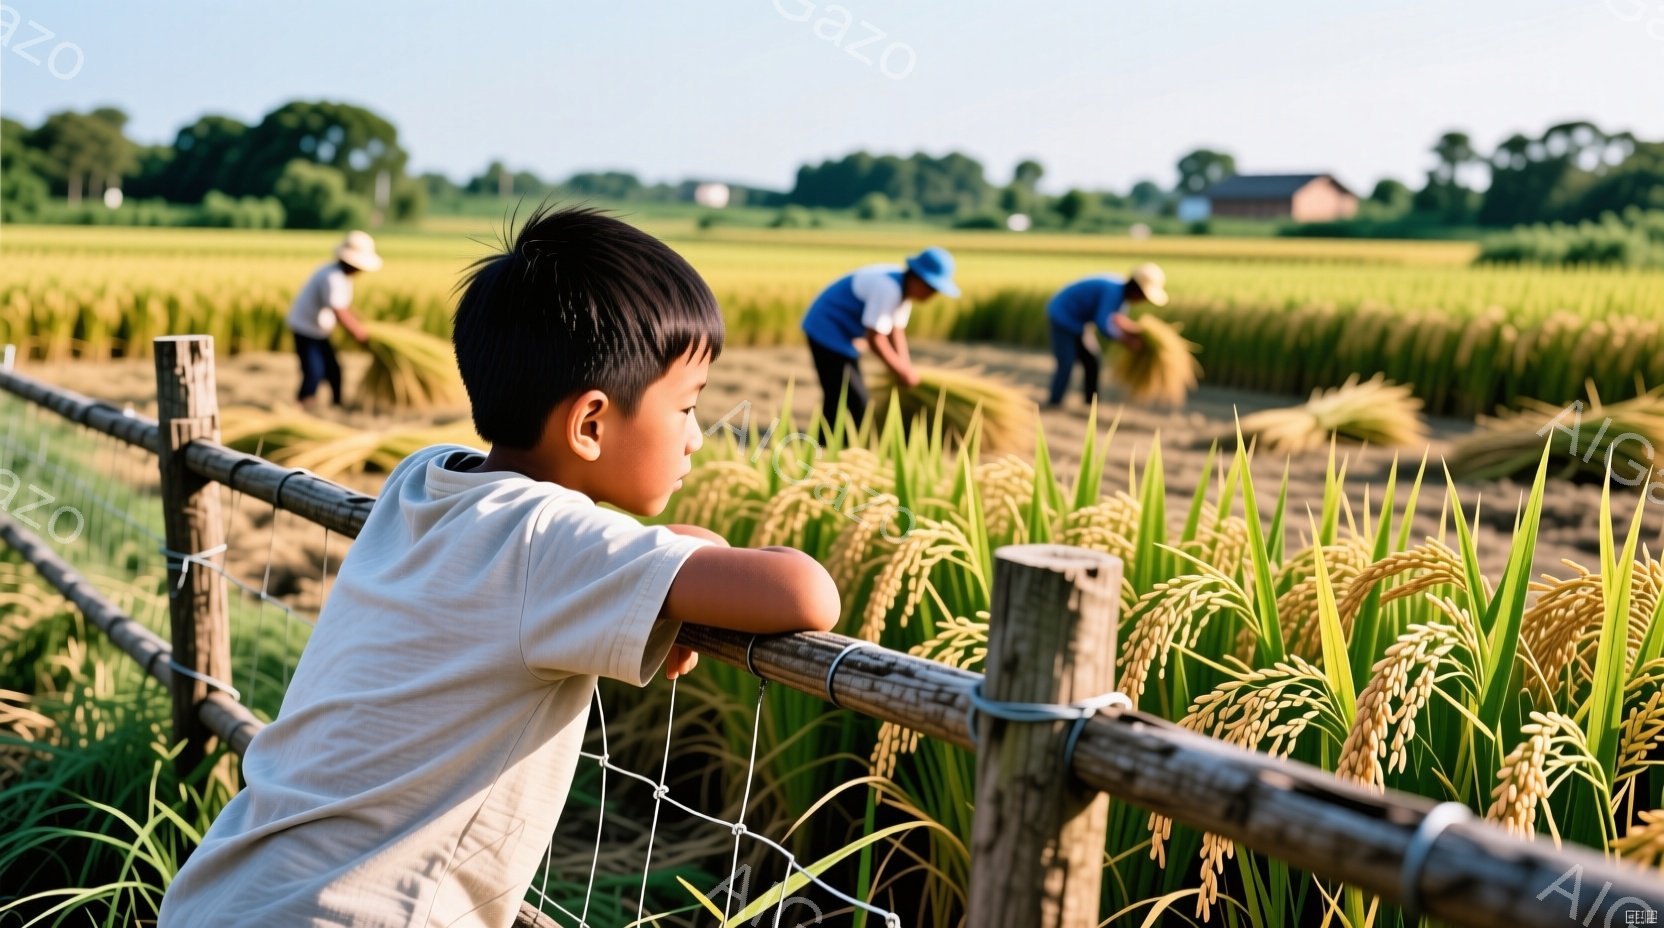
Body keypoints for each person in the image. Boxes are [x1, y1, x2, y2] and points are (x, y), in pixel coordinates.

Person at [158, 206, 841, 927]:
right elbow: (806, 593)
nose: (698, 437)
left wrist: (665, 575)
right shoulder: (553, 541)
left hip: (220, 893)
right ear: (590, 424)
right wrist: (677, 575)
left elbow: (550, 553)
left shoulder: (424, 478)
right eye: (687, 407)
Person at [800, 247, 959, 433]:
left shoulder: (903, 292)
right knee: (851, 400)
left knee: (841, 397)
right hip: (826, 330)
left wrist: (905, 366)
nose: (933, 295)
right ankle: (829, 443)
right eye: (932, 288)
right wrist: (901, 371)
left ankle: (825, 442)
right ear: (917, 278)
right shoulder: (888, 289)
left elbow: (896, 331)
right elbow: (875, 339)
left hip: (844, 336)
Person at [1044, 263, 1168, 407]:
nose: (1142, 301)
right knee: (1066, 362)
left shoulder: (1121, 295)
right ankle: (1054, 403)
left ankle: (1090, 404)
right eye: (1144, 297)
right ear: (1136, 291)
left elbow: (1116, 319)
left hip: (1080, 323)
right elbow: (1103, 323)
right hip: (1063, 317)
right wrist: (1128, 341)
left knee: (1092, 361)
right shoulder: (1113, 292)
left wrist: (1135, 331)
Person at [287, 230, 378, 408]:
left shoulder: (340, 276)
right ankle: (303, 405)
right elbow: (339, 311)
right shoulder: (333, 278)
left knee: (334, 370)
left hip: (318, 331)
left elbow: (344, 306)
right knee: (314, 371)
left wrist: (361, 323)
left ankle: (337, 405)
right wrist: (358, 332)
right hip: (306, 330)